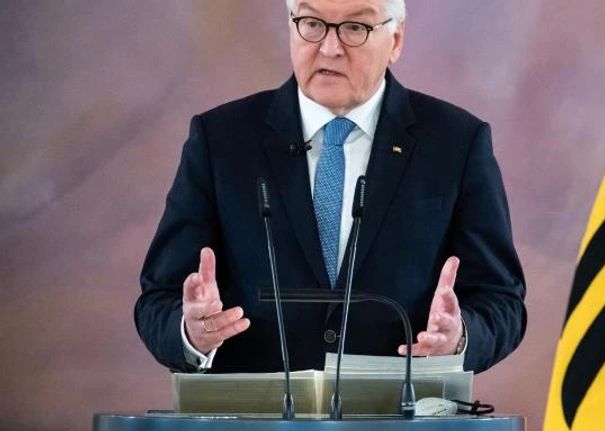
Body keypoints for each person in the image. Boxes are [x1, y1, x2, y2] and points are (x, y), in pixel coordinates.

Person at [135, 0, 526, 374]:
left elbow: (501, 300)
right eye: (312, 24)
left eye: (355, 27)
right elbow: (159, 299)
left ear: (396, 40)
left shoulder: (456, 142)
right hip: (256, 428)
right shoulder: (221, 140)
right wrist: (191, 332)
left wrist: (459, 339)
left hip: (399, 426)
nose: (330, 48)